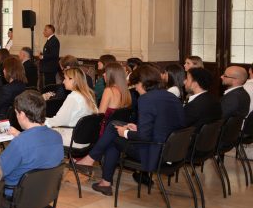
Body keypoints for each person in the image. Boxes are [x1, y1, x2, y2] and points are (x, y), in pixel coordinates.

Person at [76, 64, 186, 195]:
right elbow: (167, 124)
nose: (136, 89)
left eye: (136, 85)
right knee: (114, 127)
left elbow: (144, 136)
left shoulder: (146, 99)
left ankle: (94, 167)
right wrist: (137, 128)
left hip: (153, 153)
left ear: (142, 83)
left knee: (113, 132)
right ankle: (100, 176)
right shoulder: (170, 96)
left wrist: (126, 133)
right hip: (171, 151)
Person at [0, 91, 63, 194]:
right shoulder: (57, 137)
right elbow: (35, 147)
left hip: (14, 195)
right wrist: (20, 135)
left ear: (22, 114)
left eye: (16, 113)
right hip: (44, 194)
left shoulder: (20, 143)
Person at [44, 68, 97, 147]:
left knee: (39, 132)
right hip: (85, 139)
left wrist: (41, 121)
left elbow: (59, 121)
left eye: (65, 78)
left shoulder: (73, 97)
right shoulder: (89, 96)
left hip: (73, 139)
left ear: (72, 80)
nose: (63, 82)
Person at [97, 62, 132, 136]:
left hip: (105, 131)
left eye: (106, 72)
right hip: (118, 131)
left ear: (112, 75)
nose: (103, 74)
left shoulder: (109, 90)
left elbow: (100, 115)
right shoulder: (126, 91)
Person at [183, 68, 222, 132]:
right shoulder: (214, 100)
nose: (184, 82)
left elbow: (179, 126)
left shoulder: (194, 106)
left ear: (195, 83)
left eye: (187, 79)